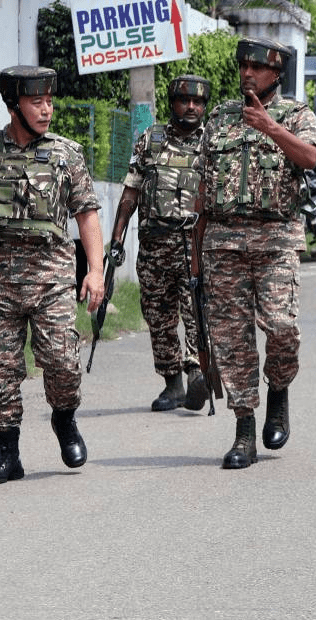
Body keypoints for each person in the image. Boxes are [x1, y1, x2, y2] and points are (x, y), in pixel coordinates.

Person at [0, 66, 105, 485]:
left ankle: (64, 420)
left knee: (63, 363)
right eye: (37, 102)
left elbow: (87, 214)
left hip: (51, 281)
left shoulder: (67, 154)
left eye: (49, 100)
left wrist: (96, 271)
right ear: (14, 105)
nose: (47, 110)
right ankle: (6, 454)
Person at [196, 37, 316, 469]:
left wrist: (270, 127)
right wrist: (195, 255)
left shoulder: (297, 115)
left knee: (283, 329)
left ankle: (279, 390)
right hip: (223, 244)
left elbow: (309, 158)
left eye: (258, 67)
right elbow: (201, 192)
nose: (248, 73)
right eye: (244, 66)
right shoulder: (219, 118)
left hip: (276, 242)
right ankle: (244, 431)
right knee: (232, 343)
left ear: (276, 73)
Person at [111, 74, 211, 412]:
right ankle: (173, 385)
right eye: (185, 100)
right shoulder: (150, 140)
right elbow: (130, 193)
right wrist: (116, 240)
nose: (192, 107)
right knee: (159, 316)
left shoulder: (211, 143)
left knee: (195, 310)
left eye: (198, 101)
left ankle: (198, 374)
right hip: (155, 244)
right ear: (173, 102)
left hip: (194, 243)